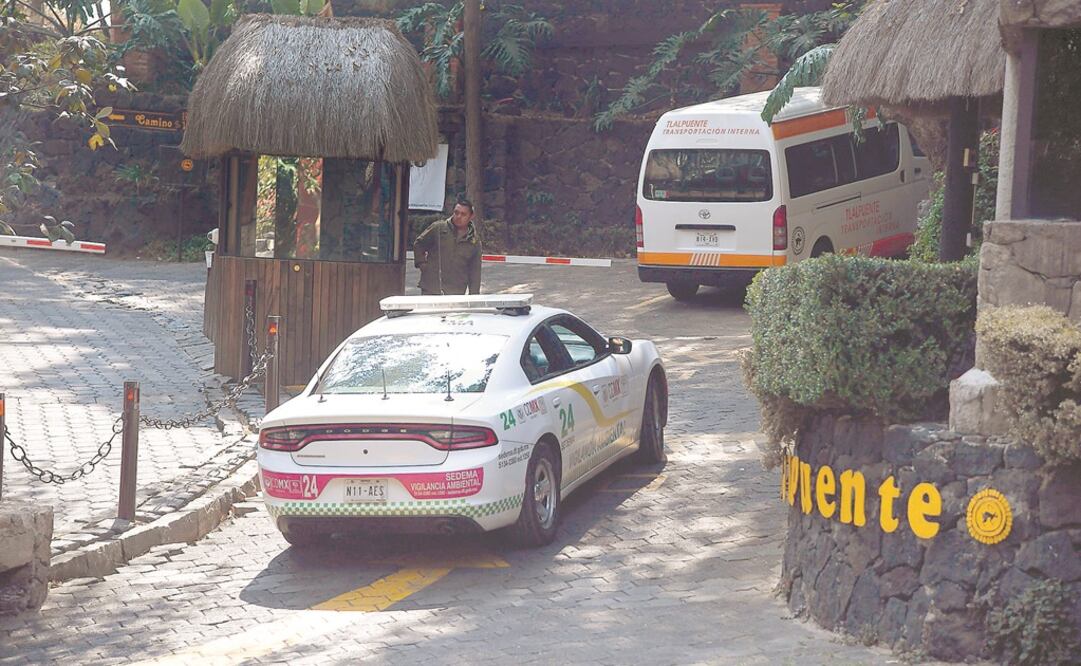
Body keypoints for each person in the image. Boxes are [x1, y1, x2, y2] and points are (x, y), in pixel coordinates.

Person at [414, 199, 482, 295]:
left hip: (456, 291)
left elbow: (475, 271)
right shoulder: (438, 228)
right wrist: (423, 265)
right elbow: (419, 244)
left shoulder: (474, 241)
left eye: (463, 214)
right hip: (431, 287)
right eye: (456, 213)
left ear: (471, 216)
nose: (458, 217)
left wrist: (474, 295)